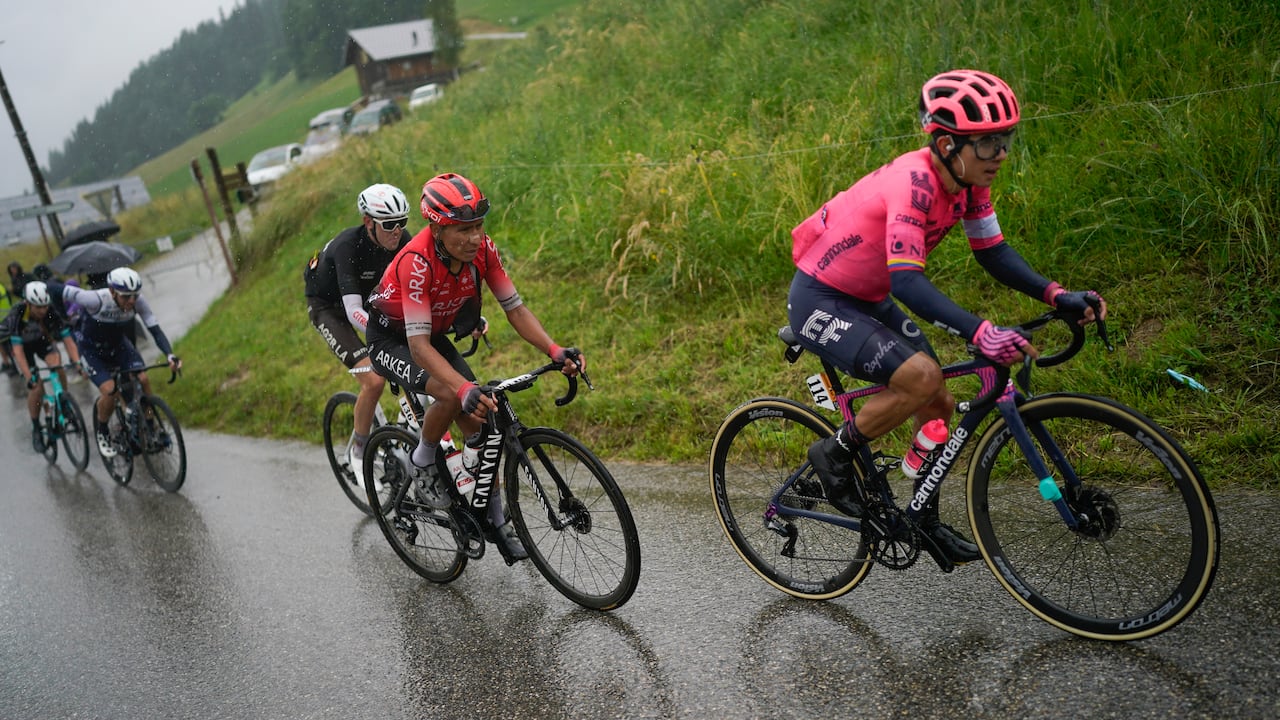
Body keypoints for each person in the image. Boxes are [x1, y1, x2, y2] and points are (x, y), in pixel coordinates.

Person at [787, 69, 1106, 565]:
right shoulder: (914, 184)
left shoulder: (968, 182)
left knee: (938, 402)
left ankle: (923, 520)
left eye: (1005, 140)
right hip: (821, 297)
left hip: (868, 298)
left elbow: (993, 252)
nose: (1000, 153)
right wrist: (980, 330)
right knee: (921, 377)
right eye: (987, 144)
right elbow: (907, 281)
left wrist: (1055, 294)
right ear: (945, 143)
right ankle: (833, 452)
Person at [366, 172, 585, 562]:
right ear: (436, 227)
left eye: (478, 226)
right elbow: (417, 348)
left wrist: (554, 349)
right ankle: (423, 461)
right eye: (462, 229)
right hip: (392, 340)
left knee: (485, 430)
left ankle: (495, 522)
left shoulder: (484, 250)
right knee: (453, 392)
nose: (473, 238)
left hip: (430, 335)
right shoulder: (416, 262)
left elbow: (514, 308)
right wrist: (465, 389)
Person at [304, 183, 413, 483]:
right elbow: (353, 312)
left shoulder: (402, 240)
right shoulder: (347, 247)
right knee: (374, 380)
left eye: (403, 222)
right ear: (368, 222)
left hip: (366, 297)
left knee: (415, 361)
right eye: (389, 224)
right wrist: (391, 329)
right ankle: (360, 450)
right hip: (330, 308)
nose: (397, 231)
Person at [50, 267, 182, 457]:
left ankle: (152, 427)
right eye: (126, 296)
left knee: (143, 379)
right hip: (91, 350)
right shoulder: (94, 299)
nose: (131, 301)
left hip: (119, 345)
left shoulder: (138, 302)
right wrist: (62, 314)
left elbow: (155, 330)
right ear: (112, 291)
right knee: (110, 391)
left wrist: (170, 355)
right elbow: (54, 289)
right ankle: (102, 432)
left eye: (134, 296)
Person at [3, 281, 82, 452]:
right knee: (36, 387)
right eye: (38, 307)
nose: (42, 310)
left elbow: (67, 339)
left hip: (40, 340)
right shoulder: (17, 315)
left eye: (45, 306)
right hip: (20, 346)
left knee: (57, 365)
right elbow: (18, 353)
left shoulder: (50, 311)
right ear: (28, 303)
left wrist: (78, 362)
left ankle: (64, 401)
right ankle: (36, 428)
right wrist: (28, 377)